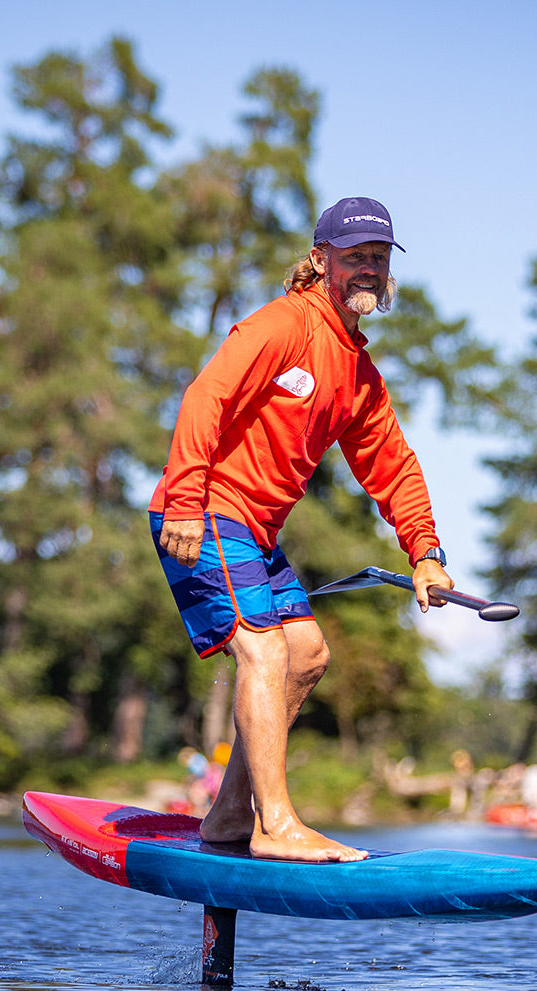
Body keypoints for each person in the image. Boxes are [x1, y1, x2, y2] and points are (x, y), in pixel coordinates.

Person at [149, 196, 454, 862]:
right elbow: (207, 395)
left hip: (254, 533)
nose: (369, 270)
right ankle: (274, 824)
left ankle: (229, 816)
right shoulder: (284, 325)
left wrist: (425, 552)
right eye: (356, 259)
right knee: (263, 652)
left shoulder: (356, 371)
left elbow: (393, 465)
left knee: (307, 654)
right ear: (321, 262)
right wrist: (182, 498)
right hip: (205, 510)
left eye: (379, 259)